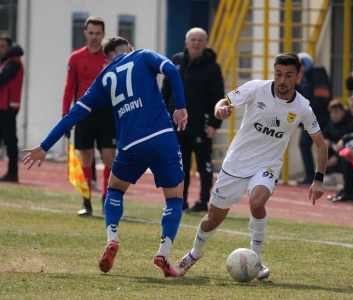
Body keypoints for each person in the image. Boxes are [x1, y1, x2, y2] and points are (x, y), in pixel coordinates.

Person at [21, 37, 188, 277]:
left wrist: (45, 145)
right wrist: (180, 106)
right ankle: (163, 253)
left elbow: (74, 113)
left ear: (105, 59)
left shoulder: (103, 79)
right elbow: (171, 68)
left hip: (131, 144)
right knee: (174, 198)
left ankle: (113, 237)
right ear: (128, 48)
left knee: (116, 190)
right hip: (162, 136)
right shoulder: (142, 55)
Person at [175, 53, 327, 280]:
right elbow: (223, 102)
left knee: (257, 202)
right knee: (213, 219)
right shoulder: (256, 88)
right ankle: (195, 253)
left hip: (267, 165)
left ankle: (255, 260)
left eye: (288, 75)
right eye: (278, 74)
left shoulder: (303, 107)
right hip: (236, 163)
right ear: (273, 72)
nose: (282, 80)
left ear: (298, 76)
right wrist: (220, 110)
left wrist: (318, 180)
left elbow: (321, 145)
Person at [162, 27, 224, 212]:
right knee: (181, 165)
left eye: (200, 40)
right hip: (178, 124)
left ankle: (204, 201)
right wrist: (164, 116)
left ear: (205, 44)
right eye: (193, 40)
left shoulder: (213, 67)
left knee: (204, 165)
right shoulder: (176, 61)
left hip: (201, 124)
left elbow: (218, 97)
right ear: (186, 42)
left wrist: (214, 124)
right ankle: (181, 200)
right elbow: (166, 91)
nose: (196, 43)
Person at [62, 17, 116, 216]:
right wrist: (65, 116)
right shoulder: (75, 58)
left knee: (110, 158)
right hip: (83, 112)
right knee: (86, 158)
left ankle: (106, 198)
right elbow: (69, 88)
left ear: (103, 34)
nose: (94, 37)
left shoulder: (110, 57)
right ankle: (86, 202)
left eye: (97, 33)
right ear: (85, 34)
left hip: (107, 113)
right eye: (90, 33)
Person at [296, 52, 331, 184]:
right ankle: (311, 175)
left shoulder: (317, 74)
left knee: (320, 146)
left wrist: (307, 112)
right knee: (305, 145)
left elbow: (321, 97)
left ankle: (318, 176)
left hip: (320, 119)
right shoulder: (304, 78)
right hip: (310, 119)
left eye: (300, 65)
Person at [0, 36, 24, 183]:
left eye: (2, 46)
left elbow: (3, 78)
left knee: (10, 140)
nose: (0, 49)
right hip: (3, 105)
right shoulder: (7, 61)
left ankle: (13, 172)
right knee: (7, 139)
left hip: (8, 105)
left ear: (9, 47)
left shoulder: (14, 62)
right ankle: (11, 172)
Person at [322, 100, 353, 179]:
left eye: (336, 112)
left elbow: (351, 142)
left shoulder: (350, 122)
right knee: (322, 146)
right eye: (331, 112)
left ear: (343, 112)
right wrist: (326, 139)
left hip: (348, 152)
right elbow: (325, 132)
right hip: (338, 151)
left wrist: (337, 156)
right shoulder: (332, 122)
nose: (333, 115)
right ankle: (328, 174)